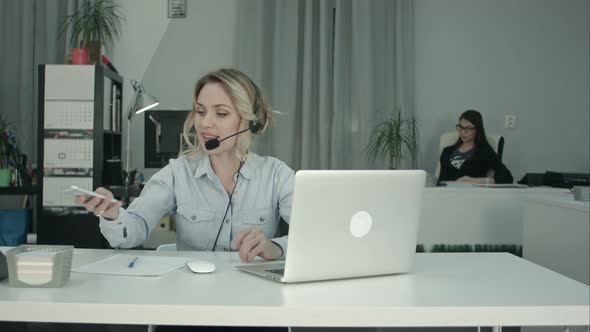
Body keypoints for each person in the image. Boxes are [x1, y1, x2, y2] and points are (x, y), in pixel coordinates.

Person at [438, 110, 513, 185]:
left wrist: (474, 181)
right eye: (461, 127)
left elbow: (507, 177)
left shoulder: (484, 152)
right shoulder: (447, 151)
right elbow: (440, 181)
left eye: (468, 128)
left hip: (471, 194)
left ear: (477, 130)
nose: (463, 132)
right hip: (446, 194)